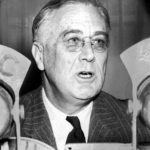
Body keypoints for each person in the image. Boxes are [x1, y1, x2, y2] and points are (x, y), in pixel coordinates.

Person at [10, 0, 150, 150]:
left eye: (98, 42)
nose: (90, 55)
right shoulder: (9, 126)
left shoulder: (139, 126)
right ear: (40, 55)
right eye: (73, 40)